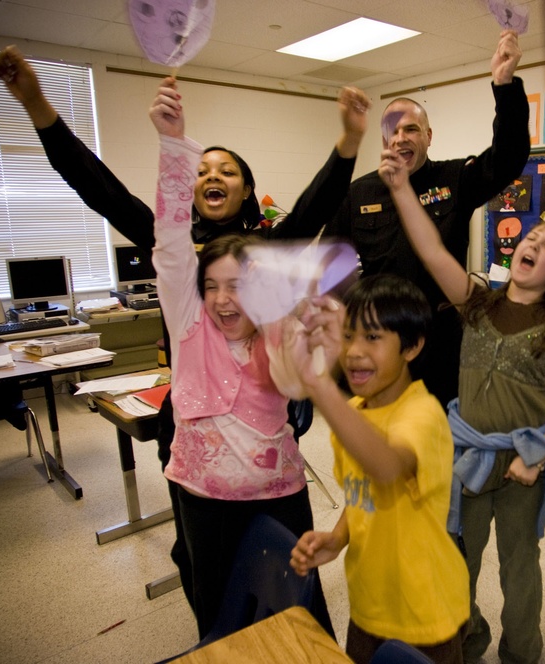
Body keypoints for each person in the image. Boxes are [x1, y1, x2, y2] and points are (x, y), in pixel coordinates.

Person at [0, 45, 370, 612]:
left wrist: (348, 142)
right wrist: (35, 101)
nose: (212, 176)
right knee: (202, 555)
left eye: (228, 171)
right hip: (193, 421)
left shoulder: (266, 247)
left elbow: (317, 203)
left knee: (281, 569)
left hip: (266, 421)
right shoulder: (167, 246)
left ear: (246, 188)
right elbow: (94, 183)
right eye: (201, 170)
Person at [378, 147, 545, 664]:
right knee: (456, 561)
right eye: (531, 238)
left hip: (523, 462)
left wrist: (541, 451)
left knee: (520, 569)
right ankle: (465, 639)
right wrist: (402, 189)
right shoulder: (477, 302)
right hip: (466, 459)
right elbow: (431, 250)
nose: (533, 244)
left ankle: (522, 652)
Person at [147, 80, 340, 639]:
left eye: (240, 286)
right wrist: (173, 144)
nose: (225, 300)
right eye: (213, 286)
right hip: (203, 498)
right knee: (220, 613)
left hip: (278, 494)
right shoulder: (189, 324)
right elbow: (169, 241)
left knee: (297, 611)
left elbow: (308, 378)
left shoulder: (280, 327)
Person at [323, 29, 531, 409]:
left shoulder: (455, 179)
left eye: (412, 129)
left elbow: (509, 156)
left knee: (439, 438)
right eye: (393, 131)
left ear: (429, 136)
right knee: (377, 439)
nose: (401, 138)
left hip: (440, 340)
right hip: (378, 336)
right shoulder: (359, 193)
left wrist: (505, 86)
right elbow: (327, 264)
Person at [289, 275, 469, 664]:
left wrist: (320, 386)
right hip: (368, 606)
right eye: (349, 336)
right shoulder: (354, 414)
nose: (354, 352)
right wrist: (337, 539)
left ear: (412, 346)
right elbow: (362, 494)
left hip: (426, 615)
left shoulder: (423, 416)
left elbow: (386, 466)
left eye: (373, 338)